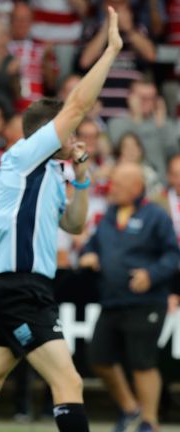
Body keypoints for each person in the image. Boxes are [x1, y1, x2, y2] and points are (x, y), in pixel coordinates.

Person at [0, 8, 124, 432]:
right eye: (70, 133)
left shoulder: (51, 173)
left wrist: (80, 177)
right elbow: (78, 104)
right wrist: (112, 49)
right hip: (23, 287)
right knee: (69, 381)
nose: (76, 138)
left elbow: (75, 226)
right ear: (50, 134)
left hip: (24, 286)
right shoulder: (24, 156)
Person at [79, 163, 179, 432]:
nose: (113, 189)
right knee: (99, 358)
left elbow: (173, 255)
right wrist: (87, 255)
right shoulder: (109, 215)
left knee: (142, 363)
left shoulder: (156, 216)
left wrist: (151, 274)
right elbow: (91, 245)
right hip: (111, 301)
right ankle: (130, 409)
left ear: (137, 188)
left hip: (146, 301)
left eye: (119, 186)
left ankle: (150, 421)